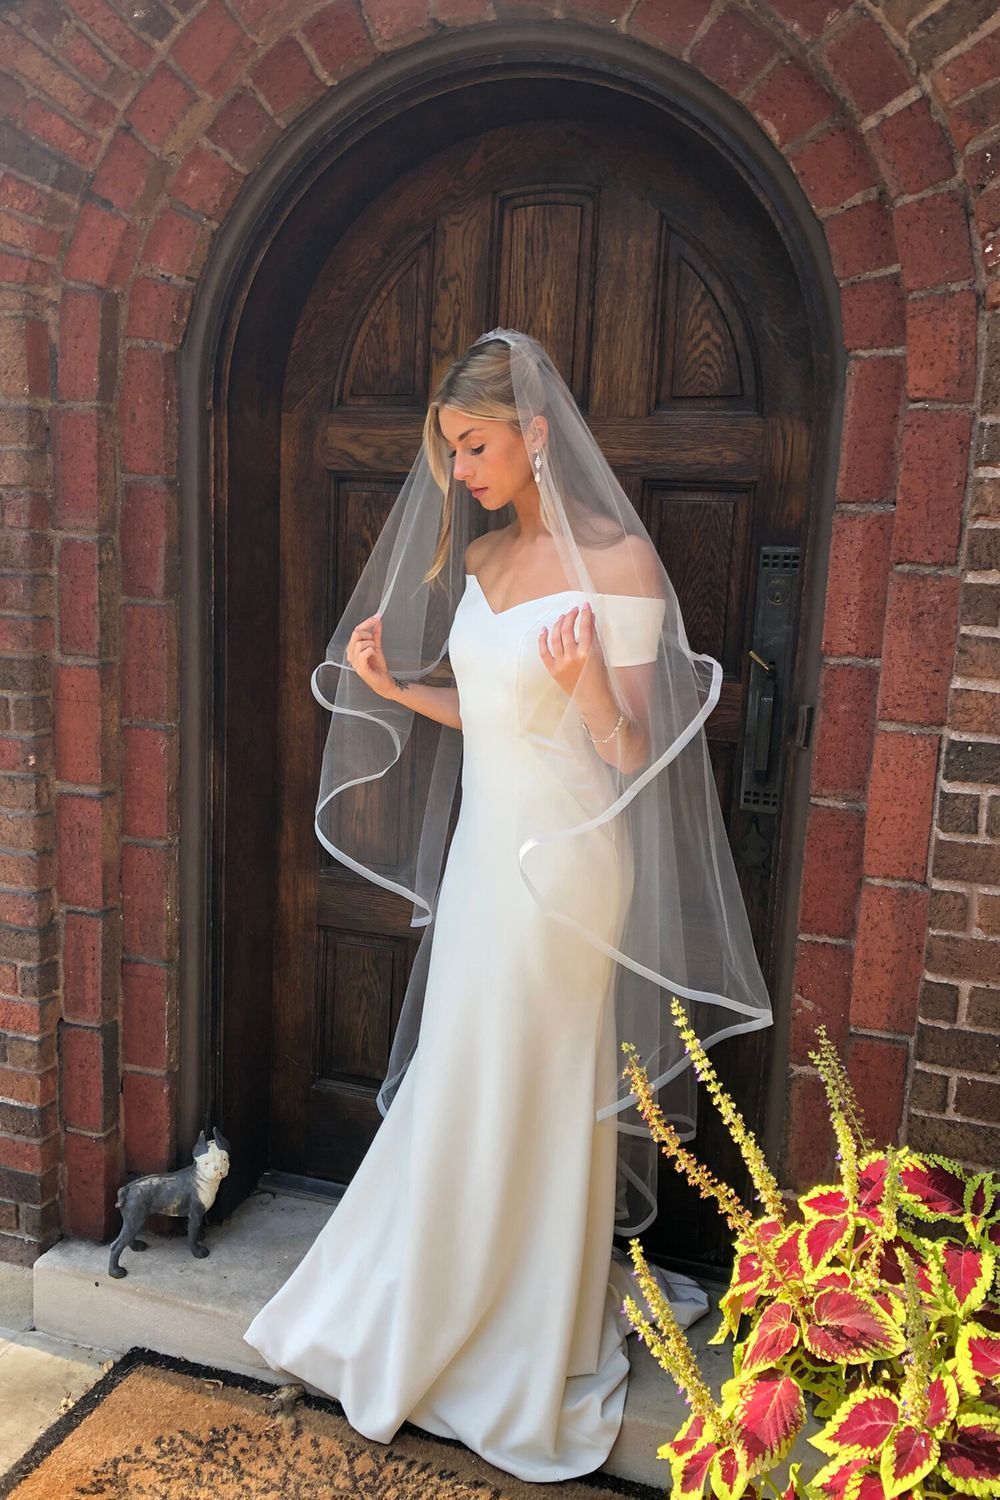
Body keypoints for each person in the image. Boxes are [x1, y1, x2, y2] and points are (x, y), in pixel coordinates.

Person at [242, 329, 773, 1482]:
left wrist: (589, 685)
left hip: (571, 868)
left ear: (533, 435)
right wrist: (395, 687)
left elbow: (633, 751)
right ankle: (432, 1300)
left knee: (532, 1083)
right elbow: (488, 717)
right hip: (490, 858)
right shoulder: (483, 564)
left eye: (473, 447)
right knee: (468, 1069)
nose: (461, 473)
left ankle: (516, 1332)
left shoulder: (620, 563)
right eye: (450, 454)